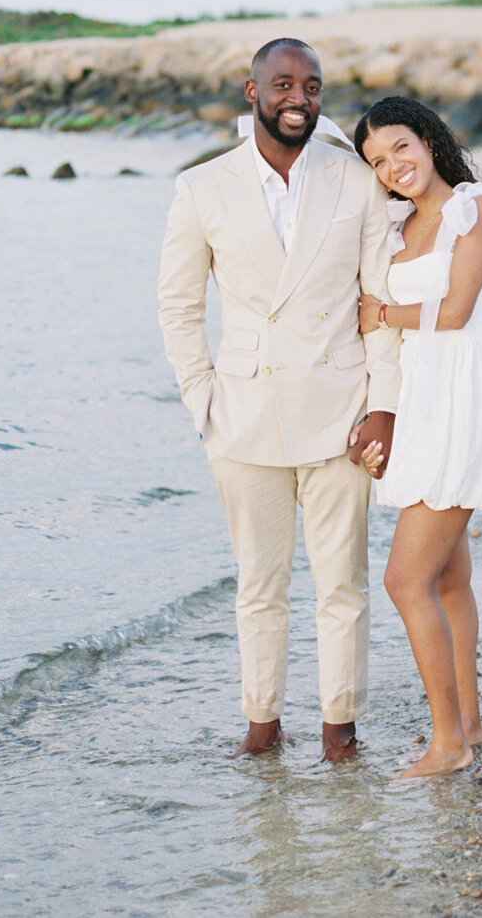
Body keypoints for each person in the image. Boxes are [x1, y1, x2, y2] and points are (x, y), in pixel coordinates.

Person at [158, 39, 402, 762]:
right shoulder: (201, 188)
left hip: (342, 412)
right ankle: (261, 726)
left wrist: (383, 403)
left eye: (313, 86)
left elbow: (379, 296)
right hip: (242, 416)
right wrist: (204, 401)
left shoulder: (356, 179)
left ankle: (339, 732)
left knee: (342, 586)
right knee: (259, 587)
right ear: (252, 89)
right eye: (284, 83)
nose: (299, 98)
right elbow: (177, 307)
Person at [353, 96, 482, 779]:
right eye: (377, 161)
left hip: (463, 404)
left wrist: (383, 311)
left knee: (406, 578)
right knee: (449, 578)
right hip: (424, 403)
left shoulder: (472, 208)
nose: (393, 166)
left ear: (427, 138)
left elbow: (455, 309)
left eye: (400, 146)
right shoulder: (398, 227)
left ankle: (447, 742)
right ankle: (471, 728)